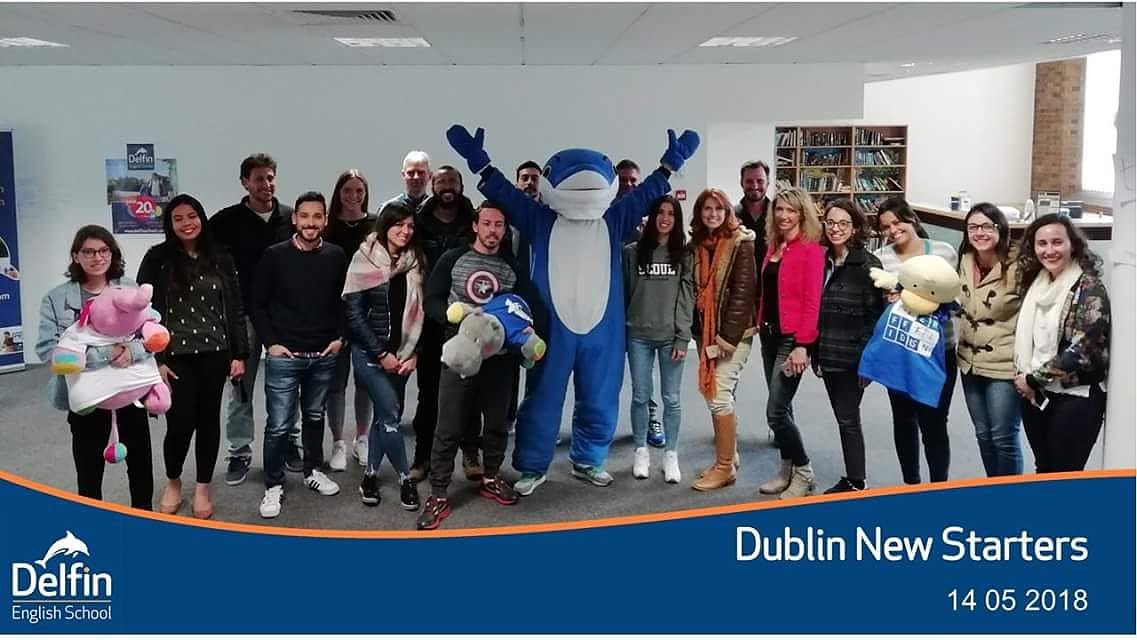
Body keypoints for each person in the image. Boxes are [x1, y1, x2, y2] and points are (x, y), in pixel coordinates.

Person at [416, 201, 529, 530]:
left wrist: (526, 335)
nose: (492, 230)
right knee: (448, 426)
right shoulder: (453, 259)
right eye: (487, 223)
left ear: (504, 230)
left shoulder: (512, 267)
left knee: (496, 423)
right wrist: (454, 317)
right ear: (475, 226)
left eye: (499, 225)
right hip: (460, 355)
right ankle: (438, 493)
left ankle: (491, 477)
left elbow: (526, 307)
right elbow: (432, 300)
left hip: (501, 358)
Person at [136, 194, 248, 519]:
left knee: (209, 422)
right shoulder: (157, 258)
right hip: (175, 357)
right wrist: (156, 360)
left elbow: (235, 308)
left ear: (201, 218)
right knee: (180, 425)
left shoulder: (221, 256)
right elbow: (142, 312)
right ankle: (173, 482)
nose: (187, 223)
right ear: (169, 224)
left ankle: (202, 487)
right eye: (178, 218)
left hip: (216, 353)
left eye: (192, 216)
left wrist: (239, 353)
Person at [35, 225, 154, 509]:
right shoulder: (56, 299)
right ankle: (92, 526)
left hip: (129, 393)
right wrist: (105, 354)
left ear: (112, 254)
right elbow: (48, 350)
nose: (97, 257)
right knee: (89, 474)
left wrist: (132, 351)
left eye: (103, 250)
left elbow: (151, 333)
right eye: (88, 251)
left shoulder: (130, 289)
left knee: (141, 468)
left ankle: (145, 522)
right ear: (76, 256)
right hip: (87, 399)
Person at [252, 192, 348, 518]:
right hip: (284, 356)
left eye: (317, 216)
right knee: (279, 425)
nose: (310, 222)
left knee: (314, 416)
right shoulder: (274, 255)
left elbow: (345, 301)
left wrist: (340, 339)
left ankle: (312, 471)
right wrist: (270, 344)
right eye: (304, 216)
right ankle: (273, 484)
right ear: (294, 219)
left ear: (325, 220)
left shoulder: (336, 255)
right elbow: (258, 304)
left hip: (323, 354)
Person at [209, 153, 297, 486]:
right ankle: (239, 451)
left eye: (270, 177)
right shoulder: (225, 221)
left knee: (287, 384)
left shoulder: (290, 217)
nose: (266, 184)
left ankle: (289, 441)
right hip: (243, 315)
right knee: (241, 387)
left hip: (283, 316)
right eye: (259, 179)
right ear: (245, 182)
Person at [343, 202, 425, 510]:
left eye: (410, 226)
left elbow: (423, 312)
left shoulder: (416, 261)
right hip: (369, 353)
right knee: (390, 415)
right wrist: (380, 353)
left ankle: (370, 475)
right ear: (385, 226)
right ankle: (405, 479)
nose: (405, 231)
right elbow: (353, 314)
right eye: (399, 225)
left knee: (384, 416)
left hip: (403, 354)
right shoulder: (363, 258)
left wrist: (414, 354)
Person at [1012, 214, 1110, 473]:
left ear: (1072, 245)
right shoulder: (1037, 283)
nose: (1049, 250)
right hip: (1036, 393)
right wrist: (1027, 379)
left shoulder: (1089, 287)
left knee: (1065, 472)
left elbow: (1083, 350)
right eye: (1042, 243)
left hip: (1075, 396)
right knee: (1044, 468)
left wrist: (1033, 379)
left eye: (1057, 242)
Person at [873, 197, 958, 484]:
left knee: (934, 421)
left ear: (911, 219)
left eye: (897, 222)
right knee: (903, 420)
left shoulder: (943, 252)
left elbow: (954, 297)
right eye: (886, 227)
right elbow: (876, 305)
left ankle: (938, 487)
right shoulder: (880, 258)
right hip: (900, 354)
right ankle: (911, 485)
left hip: (939, 352)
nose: (893, 230)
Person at [408, 165, 483, 482]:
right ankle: (422, 456)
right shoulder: (418, 223)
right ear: (432, 185)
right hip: (431, 318)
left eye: (452, 181)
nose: (447, 186)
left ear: (461, 186)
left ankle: (470, 451)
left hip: (469, 319)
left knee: (470, 389)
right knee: (429, 393)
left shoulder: (474, 222)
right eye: (441, 182)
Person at [753, 187, 824, 499]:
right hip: (768, 336)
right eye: (779, 209)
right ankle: (786, 470)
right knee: (784, 406)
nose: (783, 215)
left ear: (802, 214)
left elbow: (812, 302)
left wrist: (802, 345)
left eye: (791, 210)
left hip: (791, 339)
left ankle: (804, 472)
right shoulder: (774, 246)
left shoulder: (811, 251)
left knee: (776, 412)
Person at [689, 188, 757, 492]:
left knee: (718, 396)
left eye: (719, 209)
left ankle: (725, 466)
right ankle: (729, 456)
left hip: (734, 334)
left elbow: (743, 294)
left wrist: (725, 340)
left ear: (727, 211)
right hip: (706, 333)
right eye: (707, 209)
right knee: (717, 396)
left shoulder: (741, 243)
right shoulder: (698, 244)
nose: (713, 214)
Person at [814, 199, 884, 493]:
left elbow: (875, 318)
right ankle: (855, 477)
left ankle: (857, 481)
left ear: (855, 228)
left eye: (843, 223)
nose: (836, 229)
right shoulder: (821, 260)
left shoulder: (868, 265)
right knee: (844, 416)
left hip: (852, 356)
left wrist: (868, 364)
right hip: (827, 350)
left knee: (847, 418)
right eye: (831, 223)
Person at [623, 194, 693, 483]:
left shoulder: (684, 255)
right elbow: (625, 293)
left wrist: (683, 337)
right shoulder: (632, 252)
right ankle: (641, 450)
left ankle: (670, 454)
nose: (665, 218)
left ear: (677, 220)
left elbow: (687, 298)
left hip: (670, 337)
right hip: (638, 335)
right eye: (660, 213)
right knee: (640, 396)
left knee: (671, 399)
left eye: (671, 214)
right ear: (652, 217)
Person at [957, 203, 1023, 477]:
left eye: (987, 226)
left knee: (1003, 436)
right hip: (969, 362)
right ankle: (992, 487)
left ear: (1000, 228)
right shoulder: (965, 259)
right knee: (983, 434)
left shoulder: (1019, 265)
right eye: (973, 227)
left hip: (1003, 363)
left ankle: (1010, 496)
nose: (979, 233)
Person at [324, 169, 376, 471]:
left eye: (359, 190)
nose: (353, 196)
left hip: (367, 314)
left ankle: (362, 438)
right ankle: (337, 443)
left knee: (365, 381)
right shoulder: (327, 227)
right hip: (334, 314)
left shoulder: (376, 225)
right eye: (347, 190)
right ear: (338, 193)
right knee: (336, 383)